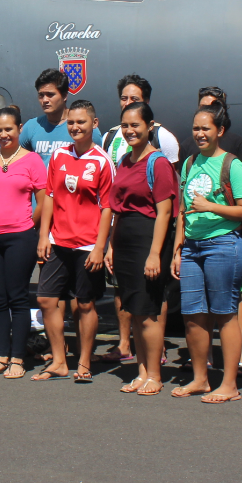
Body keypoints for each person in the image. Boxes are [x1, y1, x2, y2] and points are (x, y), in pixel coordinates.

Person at [171, 105, 242, 402]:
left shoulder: (233, 165)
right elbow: (182, 210)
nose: (200, 133)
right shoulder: (190, 162)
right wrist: (178, 249)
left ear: (220, 131)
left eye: (206, 128)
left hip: (224, 244)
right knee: (193, 315)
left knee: (224, 314)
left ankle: (229, 384)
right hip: (192, 247)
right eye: (196, 128)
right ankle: (200, 379)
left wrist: (212, 207)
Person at [99, 74, 179, 365]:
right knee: (133, 309)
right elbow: (116, 207)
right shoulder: (124, 161)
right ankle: (142, 371)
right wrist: (109, 246)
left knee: (149, 312)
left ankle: (154, 374)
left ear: (149, 126)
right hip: (124, 241)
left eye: (135, 125)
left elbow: (165, 211)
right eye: (125, 126)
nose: (130, 131)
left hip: (147, 240)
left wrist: (156, 254)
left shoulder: (157, 161)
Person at [34, 100, 113, 382]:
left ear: (94, 123)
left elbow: (107, 208)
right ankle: (59, 360)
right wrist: (44, 236)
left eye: (81, 122)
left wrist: (101, 248)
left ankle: (83, 362)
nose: (75, 127)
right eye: (71, 122)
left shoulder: (102, 161)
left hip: (88, 244)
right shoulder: (58, 156)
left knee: (85, 304)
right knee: (45, 299)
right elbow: (50, 198)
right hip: (58, 240)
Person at [0, 105, 48, 379]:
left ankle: (18, 357)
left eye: (9, 129)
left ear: (18, 129)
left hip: (20, 236)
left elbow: (44, 200)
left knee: (17, 297)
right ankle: (1, 355)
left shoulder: (32, 161)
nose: (4, 134)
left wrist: (30, 224)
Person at [20, 68, 104, 163]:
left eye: (50, 95)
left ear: (64, 96)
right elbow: (16, 158)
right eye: (41, 95)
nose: (44, 100)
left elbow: (97, 160)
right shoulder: (31, 126)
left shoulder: (85, 128)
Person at [177, 86, 242, 165]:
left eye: (212, 107)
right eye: (203, 107)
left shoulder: (237, 143)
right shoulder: (187, 146)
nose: (207, 111)